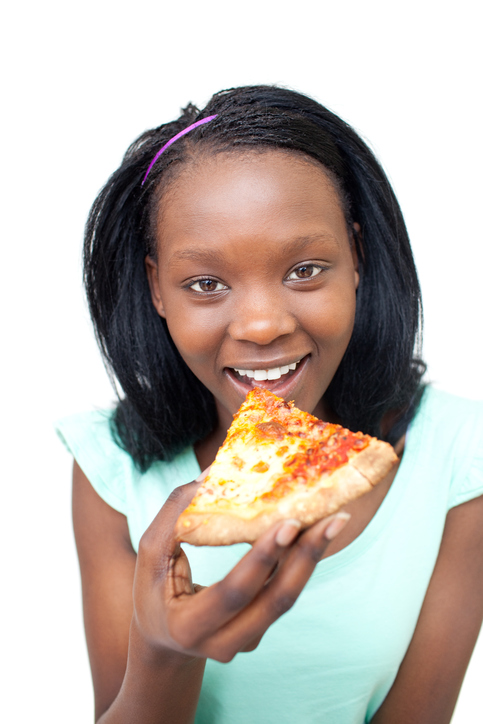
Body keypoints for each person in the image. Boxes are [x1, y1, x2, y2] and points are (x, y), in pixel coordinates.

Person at [56, 85, 483, 723]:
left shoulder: (458, 453)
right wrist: (162, 650)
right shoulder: (109, 468)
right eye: (206, 283)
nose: (260, 325)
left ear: (358, 257)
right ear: (156, 289)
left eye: (305, 269)